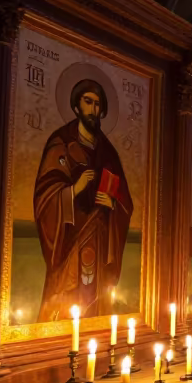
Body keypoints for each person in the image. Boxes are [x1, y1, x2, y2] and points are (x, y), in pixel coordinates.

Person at [34, 79, 133, 320]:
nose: (93, 109)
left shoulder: (108, 153)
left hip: (99, 238)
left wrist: (112, 205)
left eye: (98, 104)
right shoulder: (61, 144)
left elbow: (125, 202)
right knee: (70, 296)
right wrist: (73, 189)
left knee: (96, 298)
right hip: (71, 241)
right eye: (88, 102)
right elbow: (44, 196)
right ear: (77, 106)